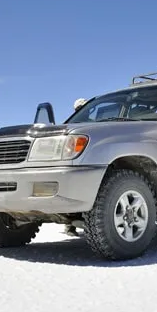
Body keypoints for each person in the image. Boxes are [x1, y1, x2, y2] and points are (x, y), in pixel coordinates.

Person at [63, 97, 87, 237]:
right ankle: (70, 226)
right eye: (79, 107)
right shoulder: (74, 122)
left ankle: (76, 225)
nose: (80, 109)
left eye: (82, 107)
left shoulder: (88, 120)